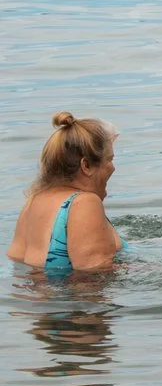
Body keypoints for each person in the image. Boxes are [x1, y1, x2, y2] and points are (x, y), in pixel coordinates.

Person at [9, 112, 121, 273]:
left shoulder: (33, 201)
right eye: (109, 159)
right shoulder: (84, 203)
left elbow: (23, 271)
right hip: (66, 289)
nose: (113, 168)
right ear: (86, 166)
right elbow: (94, 275)